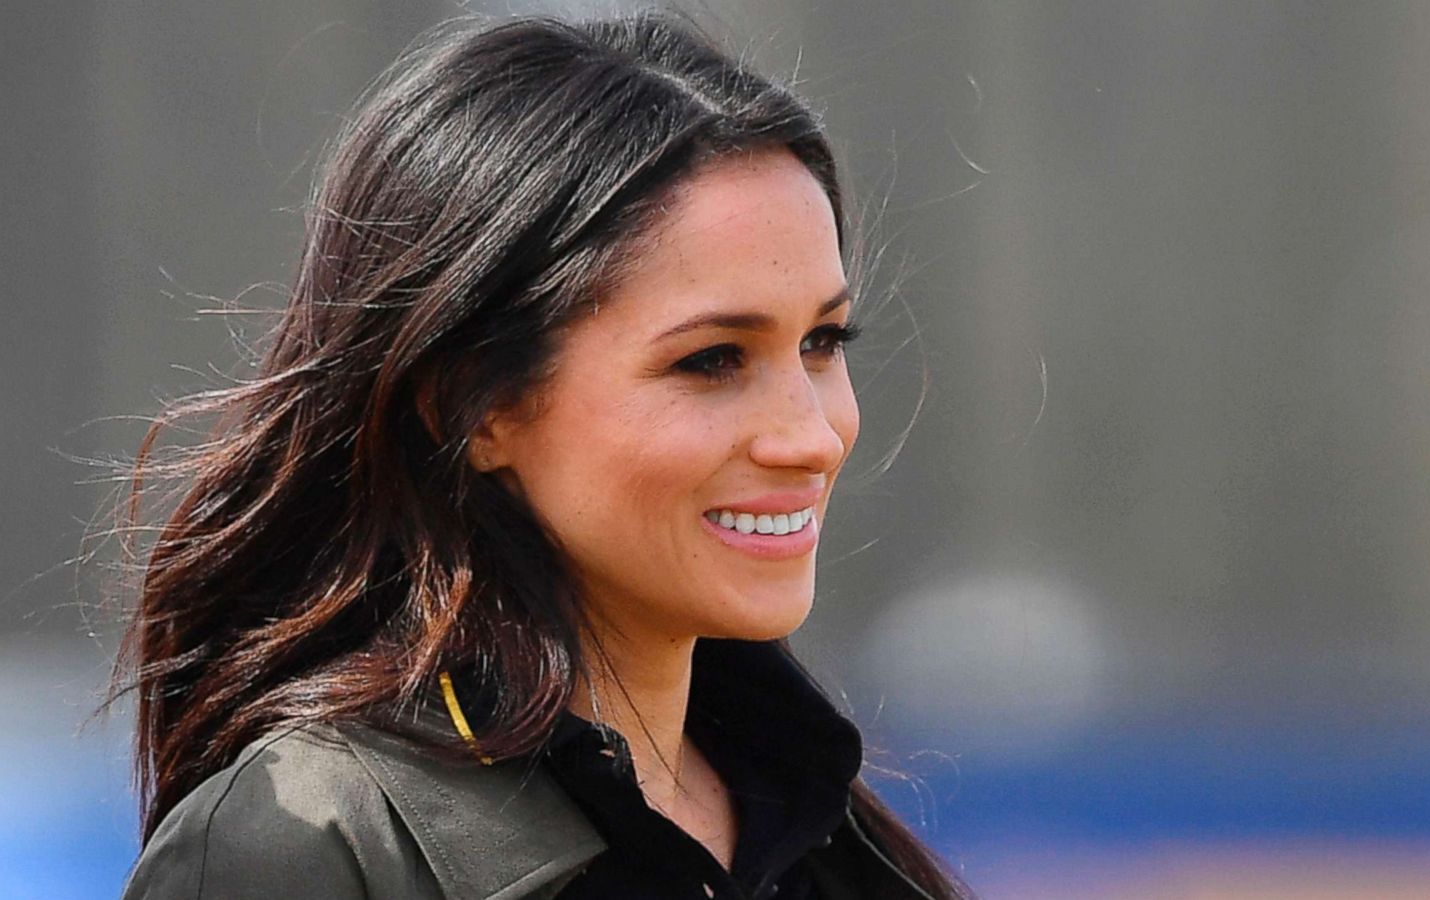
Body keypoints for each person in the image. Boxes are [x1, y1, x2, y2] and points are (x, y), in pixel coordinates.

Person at [115, 12, 971, 900]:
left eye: (824, 342)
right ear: (475, 406)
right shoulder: (308, 849)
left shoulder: (836, 850)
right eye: (712, 359)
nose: (810, 435)